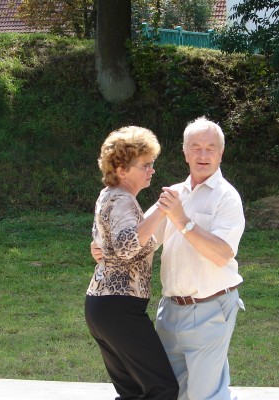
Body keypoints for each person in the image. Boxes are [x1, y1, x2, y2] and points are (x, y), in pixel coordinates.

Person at [92, 117, 245, 400]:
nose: (203, 154)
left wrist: (183, 221)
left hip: (210, 307)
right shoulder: (173, 195)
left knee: (205, 396)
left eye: (210, 148)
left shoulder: (227, 197)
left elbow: (222, 254)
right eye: (195, 147)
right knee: (170, 392)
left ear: (221, 153)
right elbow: (141, 241)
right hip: (171, 310)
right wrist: (103, 247)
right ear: (184, 152)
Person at [84, 126, 179, 400]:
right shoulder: (122, 200)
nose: (152, 170)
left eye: (152, 164)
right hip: (119, 308)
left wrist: (97, 248)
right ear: (122, 169)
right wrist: (162, 210)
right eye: (145, 165)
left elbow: (104, 241)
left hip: (101, 307)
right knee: (163, 389)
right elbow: (126, 246)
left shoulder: (108, 195)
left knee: (133, 393)